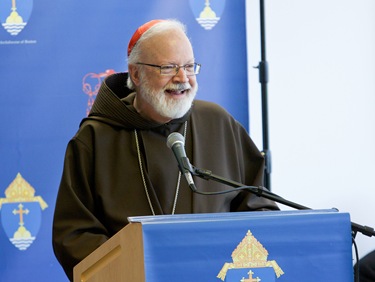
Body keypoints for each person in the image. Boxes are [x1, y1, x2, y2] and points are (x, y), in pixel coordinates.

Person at [52, 18, 279, 280]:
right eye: (168, 67)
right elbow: (75, 234)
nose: (182, 78)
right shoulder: (95, 138)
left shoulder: (218, 123)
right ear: (135, 74)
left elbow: (257, 208)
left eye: (189, 66)